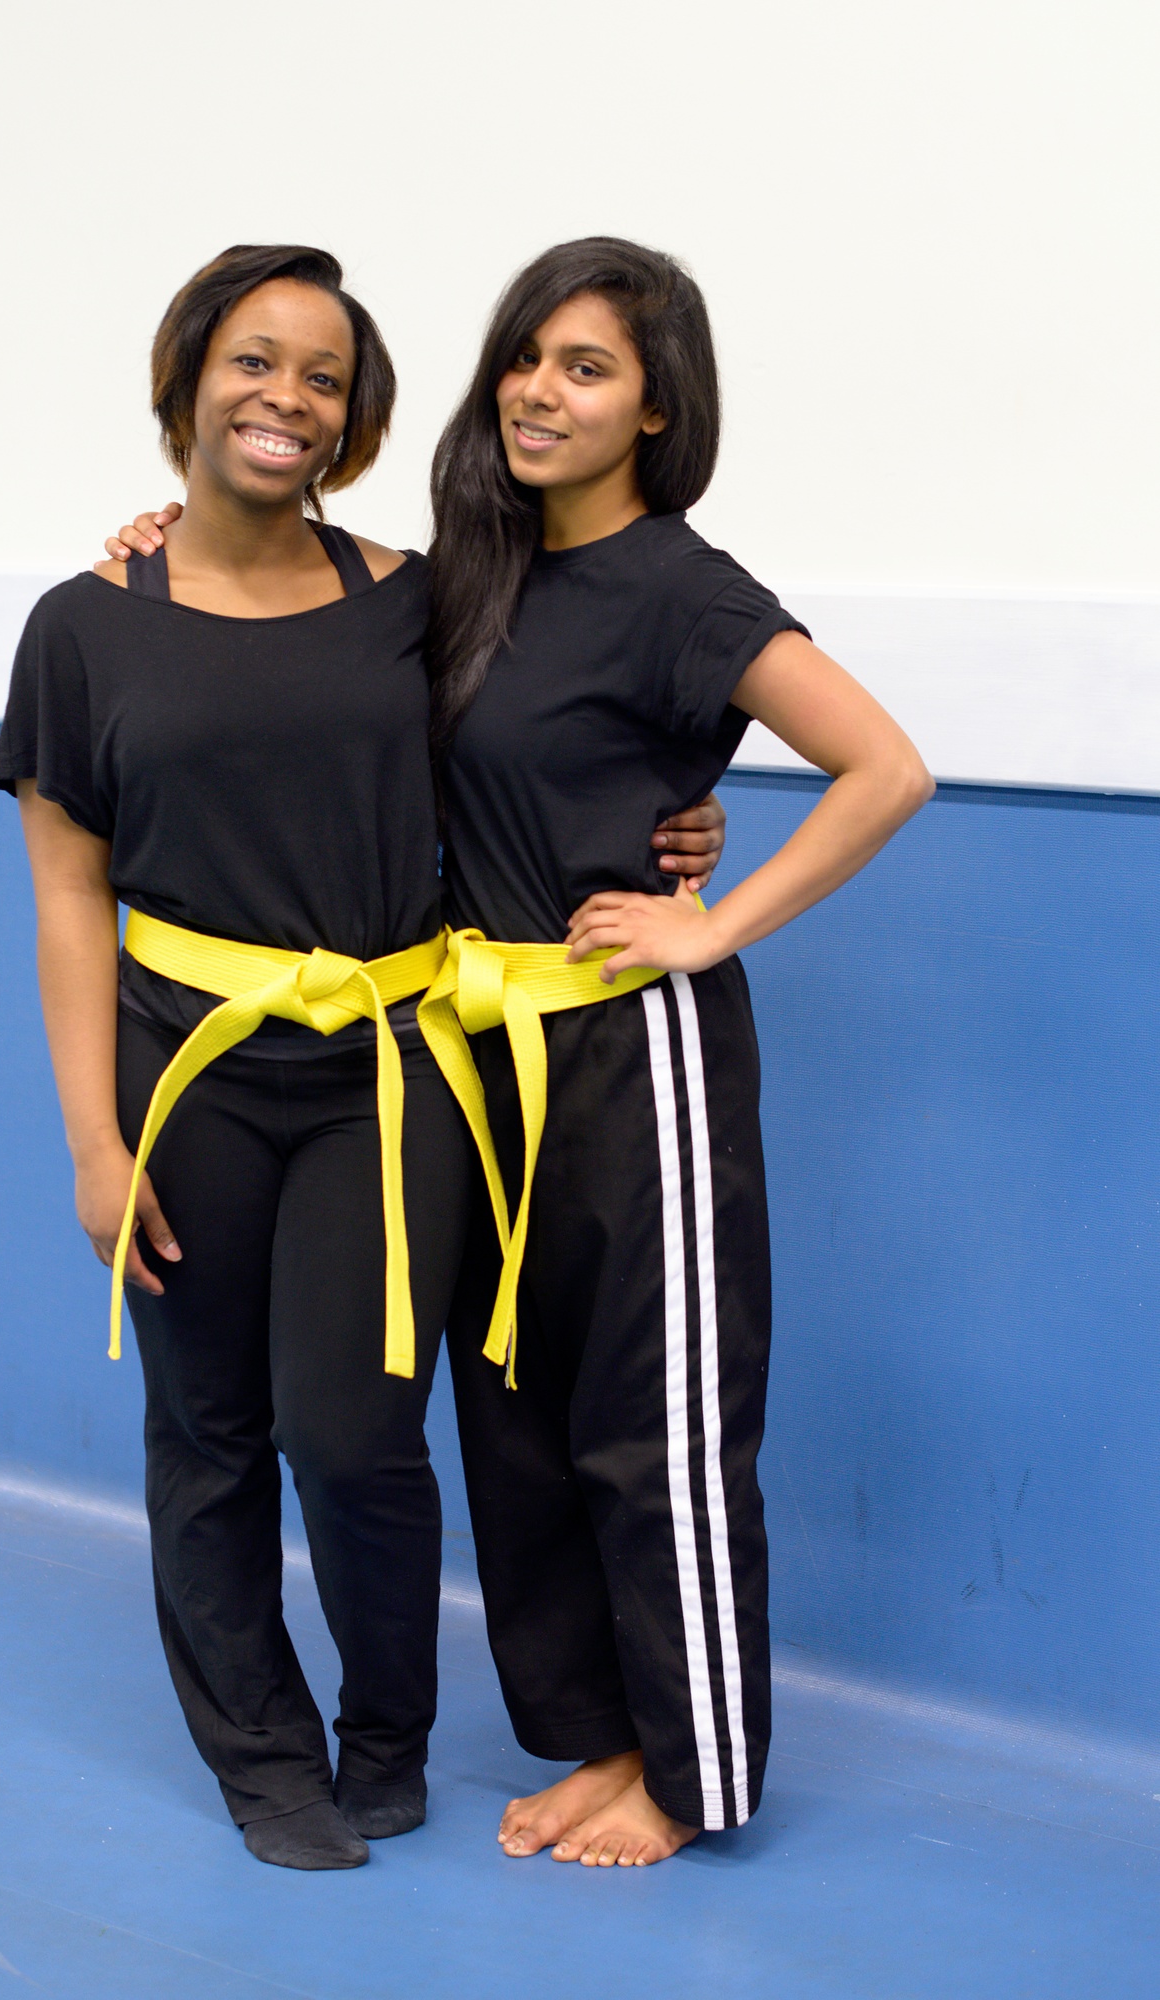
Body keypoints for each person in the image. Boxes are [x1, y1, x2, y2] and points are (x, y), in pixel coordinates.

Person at [106, 236, 931, 1871]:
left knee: (654, 1423)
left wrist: (709, 920)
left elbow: (883, 767)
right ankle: (608, 1738)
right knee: (521, 1422)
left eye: (587, 368)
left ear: (654, 408)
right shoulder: (471, 574)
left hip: (631, 1061)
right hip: (472, 1061)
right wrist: (156, 537)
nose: (539, 392)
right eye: (526, 357)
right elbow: (320, 642)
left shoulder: (684, 588)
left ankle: (692, 1779)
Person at [0, 244, 472, 1873]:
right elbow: (70, 898)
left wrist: (681, 827)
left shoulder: (417, 601)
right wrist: (92, 1142)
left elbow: (543, 757)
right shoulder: (82, 626)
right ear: (188, 379)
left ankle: (386, 1733)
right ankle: (263, 1759)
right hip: (180, 1076)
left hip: (383, 1072)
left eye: (323, 378)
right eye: (254, 360)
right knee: (206, 1432)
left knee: (352, 1434)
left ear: (354, 420)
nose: (285, 397)